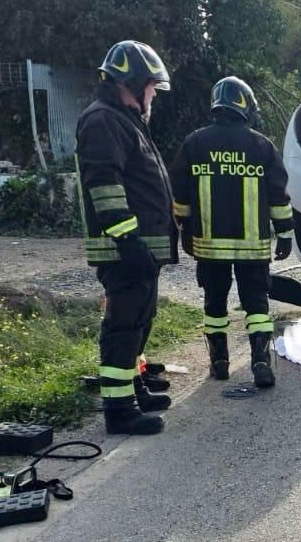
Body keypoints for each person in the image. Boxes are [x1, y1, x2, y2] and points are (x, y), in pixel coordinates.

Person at [75, 40, 176, 435]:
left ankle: (132, 389)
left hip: (138, 247)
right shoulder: (103, 120)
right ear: (130, 83)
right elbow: (104, 185)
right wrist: (128, 239)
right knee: (123, 325)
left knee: (139, 320)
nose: (154, 94)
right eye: (151, 86)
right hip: (125, 248)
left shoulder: (123, 119)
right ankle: (120, 411)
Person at [170, 76, 294, 388]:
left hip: (209, 248)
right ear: (245, 107)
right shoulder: (261, 146)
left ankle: (220, 362)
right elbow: (279, 195)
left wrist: (184, 231)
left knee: (214, 304)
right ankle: (261, 361)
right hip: (252, 248)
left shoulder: (194, 143)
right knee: (257, 306)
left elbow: (180, 195)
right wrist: (285, 234)